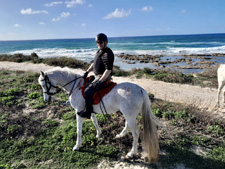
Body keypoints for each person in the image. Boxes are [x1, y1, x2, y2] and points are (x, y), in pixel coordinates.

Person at [77, 33, 115, 119]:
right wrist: (87, 71)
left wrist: (100, 81)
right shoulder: (99, 51)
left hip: (104, 77)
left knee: (87, 92)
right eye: (97, 42)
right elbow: (94, 63)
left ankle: (88, 113)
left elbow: (108, 69)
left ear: (106, 42)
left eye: (100, 42)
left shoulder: (108, 53)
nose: (99, 44)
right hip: (97, 75)